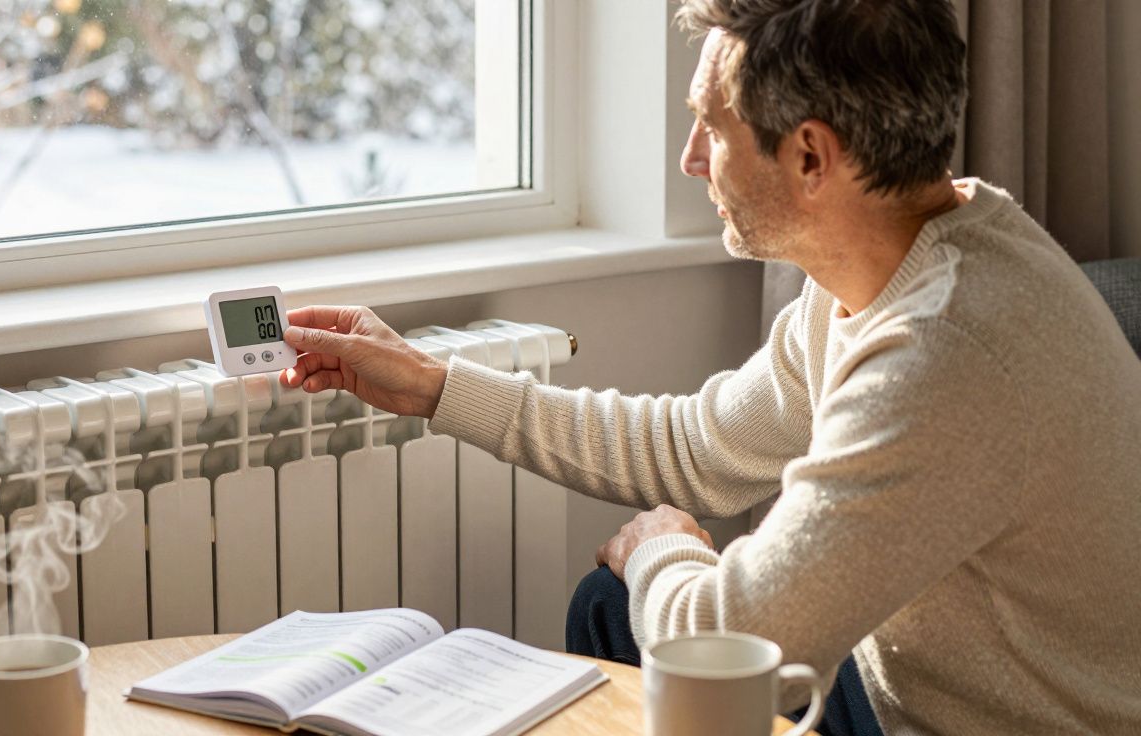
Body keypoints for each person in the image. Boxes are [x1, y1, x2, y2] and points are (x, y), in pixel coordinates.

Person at [279, 1, 1141, 733]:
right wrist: (433, 385)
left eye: (711, 126)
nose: (691, 157)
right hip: (904, 688)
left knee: (635, 602)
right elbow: (700, 447)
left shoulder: (944, 354)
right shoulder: (901, 252)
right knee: (610, 603)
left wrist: (660, 546)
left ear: (810, 157)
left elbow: (727, 640)